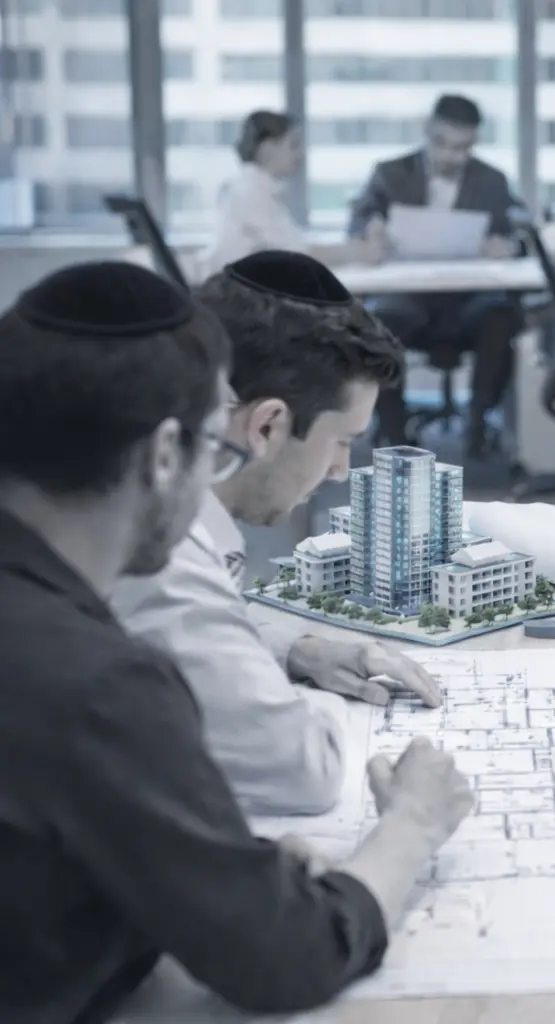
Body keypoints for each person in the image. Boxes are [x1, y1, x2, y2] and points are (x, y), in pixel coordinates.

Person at [0, 260, 473, 1022]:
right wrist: (413, 824)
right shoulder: (97, 685)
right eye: (209, 452)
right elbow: (290, 956)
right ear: (162, 456)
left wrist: (210, 869)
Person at [109, 250, 440, 817]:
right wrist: (339, 713)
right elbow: (302, 770)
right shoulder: (162, 558)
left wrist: (296, 651)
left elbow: (194, 633)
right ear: (266, 424)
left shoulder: (132, 477)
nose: (340, 470)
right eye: (341, 440)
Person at [349, 93, 527, 456]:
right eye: (442, 144)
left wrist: (508, 245)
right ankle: (394, 433)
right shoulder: (391, 173)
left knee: (502, 316)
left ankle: (478, 426)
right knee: (377, 324)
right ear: (427, 130)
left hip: (468, 301)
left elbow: (522, 231)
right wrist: (372, 228)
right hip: (407, 298)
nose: (450, 157)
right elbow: (359, 220)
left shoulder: (491, 180)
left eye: (462, 148)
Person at [199, 110, 385, 278]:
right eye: (293, 145)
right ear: (267, 149)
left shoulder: (255, 187)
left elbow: (292, 245)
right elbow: (298, 253)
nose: (301, 154)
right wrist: (357, 253)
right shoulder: (250, 192)